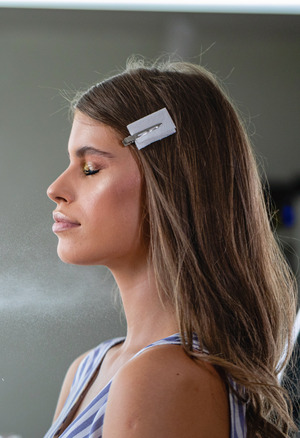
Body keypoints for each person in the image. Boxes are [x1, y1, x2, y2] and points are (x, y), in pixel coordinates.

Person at [44, 59, 296, 438]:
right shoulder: (88, 369)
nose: (55, 189)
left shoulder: (159, 380)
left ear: (168, 184)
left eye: (91, 167)